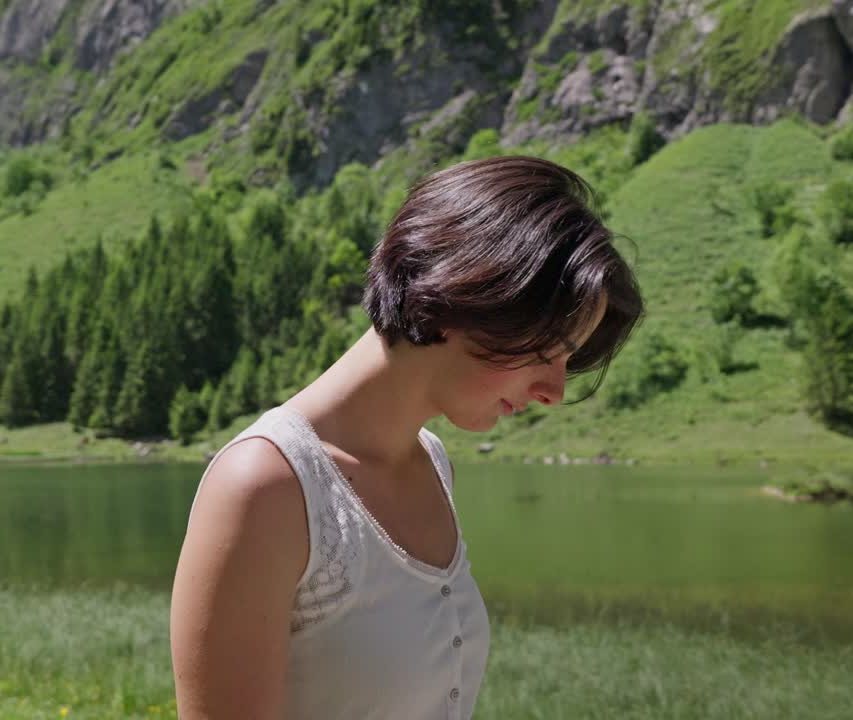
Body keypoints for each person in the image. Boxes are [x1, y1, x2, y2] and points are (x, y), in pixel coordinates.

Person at [170, 155, 644, 719]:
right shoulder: (264, 485)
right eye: (545, 353)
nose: (554, 391)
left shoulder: (433, 463)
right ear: (458, 297)